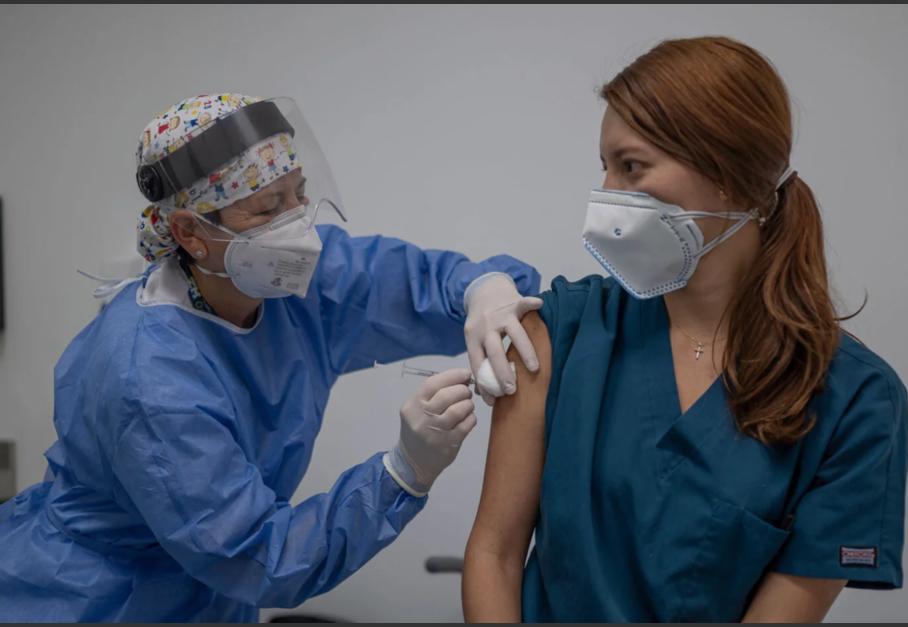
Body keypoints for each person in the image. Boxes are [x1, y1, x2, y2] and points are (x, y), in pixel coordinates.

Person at [0, 93, 543, 622]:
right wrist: (401, 473)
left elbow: (416, 283)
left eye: (298, 194)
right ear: (191, 233)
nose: (298, 226)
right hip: (103, 600)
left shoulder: (293, 284)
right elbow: (257, 555)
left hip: (213, 598)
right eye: (268, 207)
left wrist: (485, 289)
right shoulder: (149, 376)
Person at [463, 37, 908, 622]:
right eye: (604, 167)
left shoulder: (856, 400)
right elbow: (494, 554)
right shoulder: (562, 332)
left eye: (631, 166)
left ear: (732, 175)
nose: (607, 197)